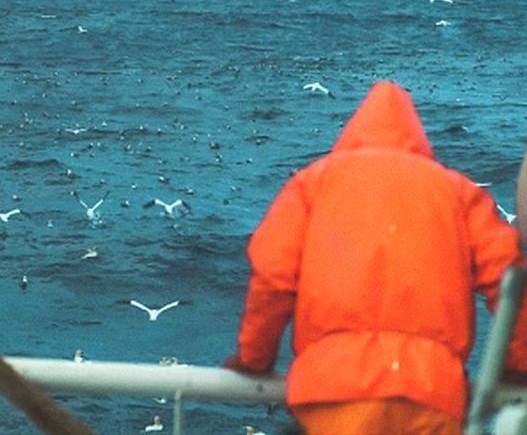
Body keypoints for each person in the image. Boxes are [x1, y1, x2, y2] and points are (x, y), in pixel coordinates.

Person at [222, 81, 527, 434]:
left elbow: (272, 276)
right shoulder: (456, 192)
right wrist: (519, 365)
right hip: (428, 395)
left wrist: (254, 360)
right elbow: (507, 277)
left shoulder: (311, 185)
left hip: (332, 395)